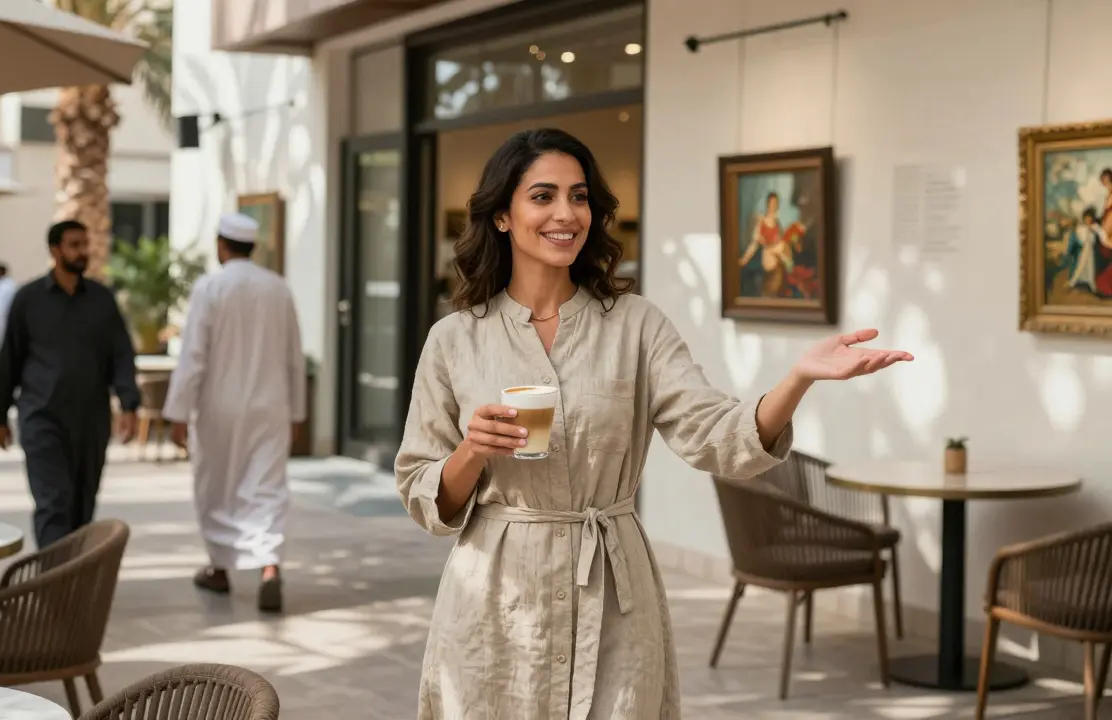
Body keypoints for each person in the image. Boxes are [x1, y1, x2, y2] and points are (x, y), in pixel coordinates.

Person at [393, 128, 913, 720]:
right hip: (495, 595)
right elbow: (421, 490)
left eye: (579, 196)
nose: (566, 214)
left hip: (613, 592)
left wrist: (797, 379)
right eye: (543, 196)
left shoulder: (636, 325)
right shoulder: (454, 339)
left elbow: (716, 434)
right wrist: (472, 451)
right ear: (503, 216)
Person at [164, 213, 306, 613]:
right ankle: (269, 567)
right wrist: (297, 413)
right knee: (267, 484)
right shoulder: (278, 288)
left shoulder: (210, 287)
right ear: (252, 247)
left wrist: (178, 413)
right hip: (271, 405)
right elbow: (294, 357)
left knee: (217, 484)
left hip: (218, 406)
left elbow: (193, 355)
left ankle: (220, 569)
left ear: (221, 245)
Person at [0, 221, 140, 548]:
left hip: (91, 420)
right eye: (74, 245)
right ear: (55, 250)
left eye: (85, 244)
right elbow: (9, 360)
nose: (82, 252)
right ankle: (53, 584)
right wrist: (0, 415)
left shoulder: (102, 300)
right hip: (42, 416)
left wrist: (129, 403)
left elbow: (121, 354)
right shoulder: (28, 300)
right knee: (53, 502)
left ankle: (73, 580)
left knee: (82, 506)